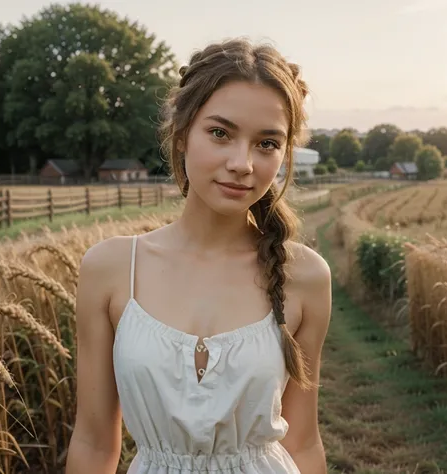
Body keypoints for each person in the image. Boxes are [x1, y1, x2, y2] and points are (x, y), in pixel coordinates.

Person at [66, 37, 332, 474]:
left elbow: (303, 442)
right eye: (220, 133)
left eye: (267, 143)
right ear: (182, 134)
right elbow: (94, 444)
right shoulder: (111, 269)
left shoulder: (305, 275)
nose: (242, 163)